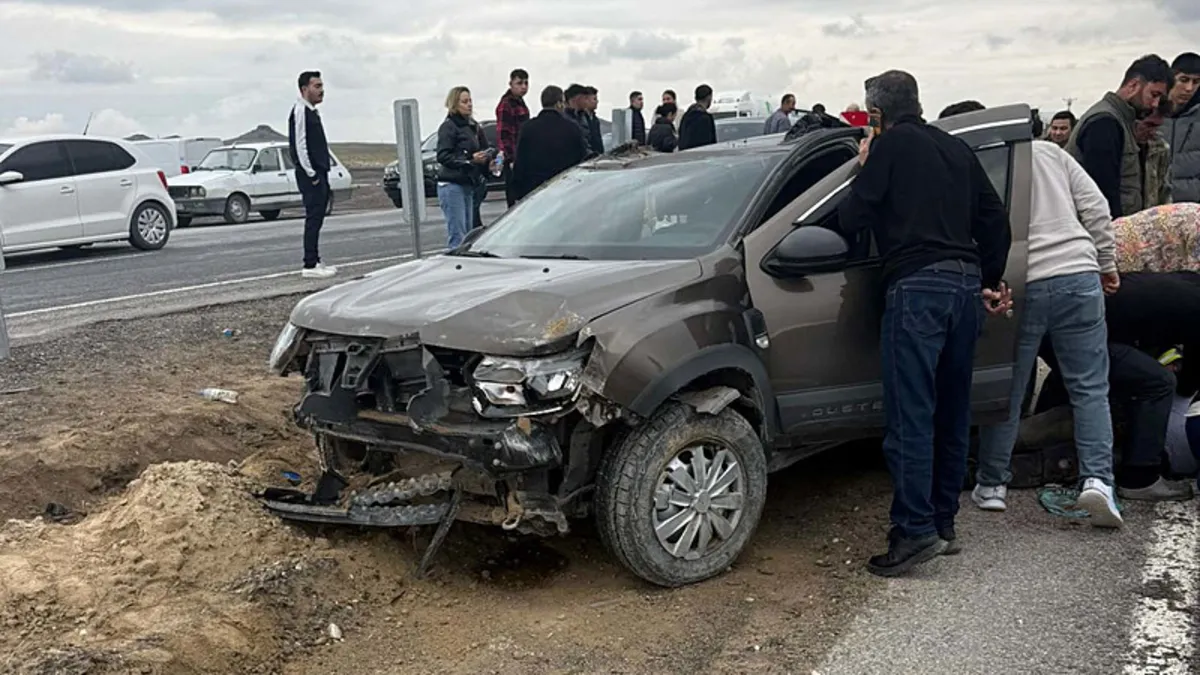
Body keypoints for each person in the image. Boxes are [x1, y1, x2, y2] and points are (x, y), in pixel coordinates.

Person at [837, 71, 1012, 576]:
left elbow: (852, 217)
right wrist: (988, 275)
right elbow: (993, 217)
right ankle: (943, 524)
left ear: (877, 113)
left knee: (911, 414)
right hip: (963, 289)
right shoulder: (955, 149)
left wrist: (865, 164)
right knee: (952, 412)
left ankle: (913, 532)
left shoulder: (890, 147)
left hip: (917, 288)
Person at [972, 134, 1123, 527]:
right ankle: (1098, 480)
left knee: (1011, 385)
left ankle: (992, 484)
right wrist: (1106, 262)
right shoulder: (1051, 153)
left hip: (1024, 281)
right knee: (1090, 387)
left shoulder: (989, 161)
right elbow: (1096, 208)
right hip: (1079, 273)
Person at [1066, 54, 1172, 219]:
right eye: (1154, 94)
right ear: (1134, 85)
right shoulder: (1105, 123)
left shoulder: (1120, 122)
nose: (1155, 104)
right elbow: (1102, 197)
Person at [288, 70, 335, 279]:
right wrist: (312, 174)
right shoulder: (300, 111)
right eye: (317, 86)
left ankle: (315, 259)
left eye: (322, 86)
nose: (321, 91)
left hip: (320, 172)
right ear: (304, 89)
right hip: (311, 175)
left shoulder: (312, 111)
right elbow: (300, 145)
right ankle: (309, 263)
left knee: (318, 217)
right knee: (313, 217)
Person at [511, 85, 590, 201]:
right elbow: (582, 158)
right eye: (563, 102)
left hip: (535, 190)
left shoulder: (528, 128)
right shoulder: (572, 128)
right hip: (564, 188)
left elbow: (520, 162)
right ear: (558, 103)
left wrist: (517, 192)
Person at [435, 86, 491, 249]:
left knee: (468, 233)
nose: (469, 105)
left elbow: (483, 148)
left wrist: (488, 160)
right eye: (464, 101)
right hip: (452, 184)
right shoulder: (449, 126)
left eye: (470, 101)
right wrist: (468, 159)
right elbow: (443, 156)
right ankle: (455, 267)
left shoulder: (473, 126)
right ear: (454, 104)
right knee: (458, 234)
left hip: (468, 183)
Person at [1163, 53, 1200, 203]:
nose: (1189, 88)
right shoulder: (1150, 114)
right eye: (1184, 80)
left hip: (1194, 210)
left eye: (1196, 82)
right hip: (1155, 209)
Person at [494, 68, 530, 207]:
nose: (523, 87)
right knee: (515, 200)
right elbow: (503, 134)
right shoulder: (506, 105)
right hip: (513, 160)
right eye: (519, 83)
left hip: (523, 156)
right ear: (511, 84)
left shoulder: (520, 103)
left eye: (526, 83)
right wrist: (510, 159)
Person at [1138, 101, 1172, 208]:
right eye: (1149, 125)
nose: (1153, 132)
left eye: (1156, 127)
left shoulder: (1160, 148)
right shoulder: (1119, 146)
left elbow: (1164, 192)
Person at [678, 84, 716, 150]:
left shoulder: (686, 116)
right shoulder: (706, 118)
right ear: (709, 97)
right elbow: (710, 144)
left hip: (685, 156)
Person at [563, 84, 596, 155]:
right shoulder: (565, 119)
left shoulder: (585, 117)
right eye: (585, 98)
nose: (587, 102)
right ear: (578, 99)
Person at [582, 86, 605, 155]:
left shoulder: (595, 120)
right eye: (594, 99)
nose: (597, 102)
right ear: (586, 100)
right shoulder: (581, 119)